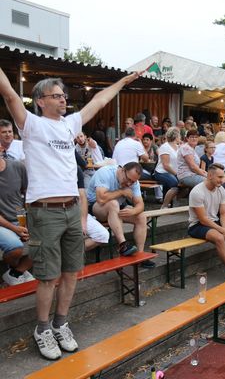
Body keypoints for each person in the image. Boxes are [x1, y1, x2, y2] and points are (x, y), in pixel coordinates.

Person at [0, 66, 142, 360]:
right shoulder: (30, 124)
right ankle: (42, 328)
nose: (64, 100)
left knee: (71, 274)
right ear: (41, 101)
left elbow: (100, 100)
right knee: (48, 277)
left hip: (71, 209)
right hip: (44, 212)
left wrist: (123, 81)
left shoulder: (71, 123)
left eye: (64, 96)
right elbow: (9, 93)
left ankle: (60, 323)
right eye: (56, 96)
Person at [87, 162, 153, 267]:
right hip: (95, 207)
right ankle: (123, 244)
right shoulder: (105, 173)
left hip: (117, 207)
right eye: (128, 180)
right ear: (122, 170)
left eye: (133, 182)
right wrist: (121, 192)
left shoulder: (133, 182)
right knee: (113, 204)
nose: (129, 184)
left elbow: (140, 204)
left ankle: (140, 255)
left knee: (141, 216)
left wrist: (134, 211)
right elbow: (101, 199)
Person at [0, 156, 33, 285]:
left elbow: (27, 195)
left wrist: (28, 223)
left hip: (20, 218)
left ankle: (17, 272)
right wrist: (16, 229)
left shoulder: (17, 167)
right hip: (3, 223)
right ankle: (17, 271)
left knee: (48, 241)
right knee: (15, 248)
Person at [76, 166, 109, 252]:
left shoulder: (76, 169)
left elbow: (83, 197)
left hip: (76, 211)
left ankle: (72, 254)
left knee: (103, 235)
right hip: (52, 211)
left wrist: (83, 220)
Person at [154, 128, 180, 209]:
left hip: (173, 172)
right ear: (176, 136)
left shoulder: (178, 147)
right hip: (161, 172)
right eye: (179, 135)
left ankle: (172, 202)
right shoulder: (165, 147)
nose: (180, 137)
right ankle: (164, 205)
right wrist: (176, 174)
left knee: (184, 185)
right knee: (175, 184)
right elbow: (166, 165)